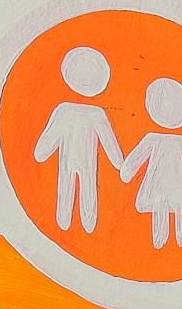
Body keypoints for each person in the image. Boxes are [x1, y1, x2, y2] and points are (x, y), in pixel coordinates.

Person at [31, 46, 127, 233]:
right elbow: (110, 145)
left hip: (69, 160)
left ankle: (67, 221)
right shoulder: (95, 114)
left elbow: (42, 150)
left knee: (68, 189)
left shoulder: (64, 110)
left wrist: (42, 152)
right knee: (87, 190)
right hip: (86, 162)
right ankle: (85, 222)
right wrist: (120, 164)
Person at [119, 77, 182, 248]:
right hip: (180, 187)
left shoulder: (154, 139)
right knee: (179, 210)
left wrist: (126, 173)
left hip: (157, 185)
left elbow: (131, 165)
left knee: (161, 211)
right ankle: (180, 240)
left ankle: (164, 241)